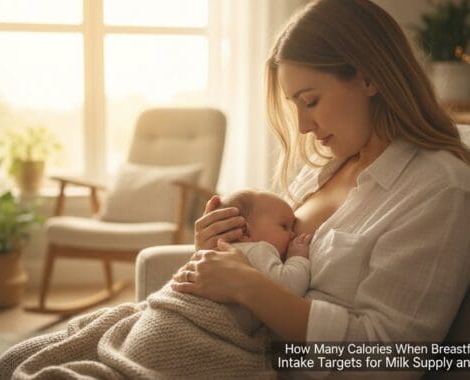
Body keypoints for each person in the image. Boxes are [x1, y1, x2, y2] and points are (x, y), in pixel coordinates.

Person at [171, 0, 470, 378]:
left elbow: (392, 359)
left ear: (370, 78)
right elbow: (265, 265)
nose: (302, 127)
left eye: (310, 101)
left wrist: (248, 287)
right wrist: (222, 248)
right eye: (295, 105)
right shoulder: (324, 167)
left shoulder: (439, 188)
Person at [211, 189, 313, 335]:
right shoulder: (257, 249)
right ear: (245, 232)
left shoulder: (224, 252)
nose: (293, 234)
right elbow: (289, 288)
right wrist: (298, 257)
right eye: (284, 226)